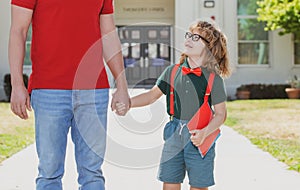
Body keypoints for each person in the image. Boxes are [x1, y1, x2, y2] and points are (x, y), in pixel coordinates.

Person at [9, 0, 130, 189]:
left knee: (92, 174)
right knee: (49, 173)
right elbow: (18, 31)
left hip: (94, 91)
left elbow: (108, 34)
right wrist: (17, 84)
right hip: (49, 90)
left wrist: (122, 85)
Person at [116, 20, 231, 190]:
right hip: (173, 133)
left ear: (209, 48)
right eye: (189, 35)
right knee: (170, 181)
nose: (189, 39)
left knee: (199, 185)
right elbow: (151, 96)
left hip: (200, 134)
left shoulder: (214, 79)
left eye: (196, 37)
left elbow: (221, 114)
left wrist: (204, 132)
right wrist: (129, 103)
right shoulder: (172, 71)